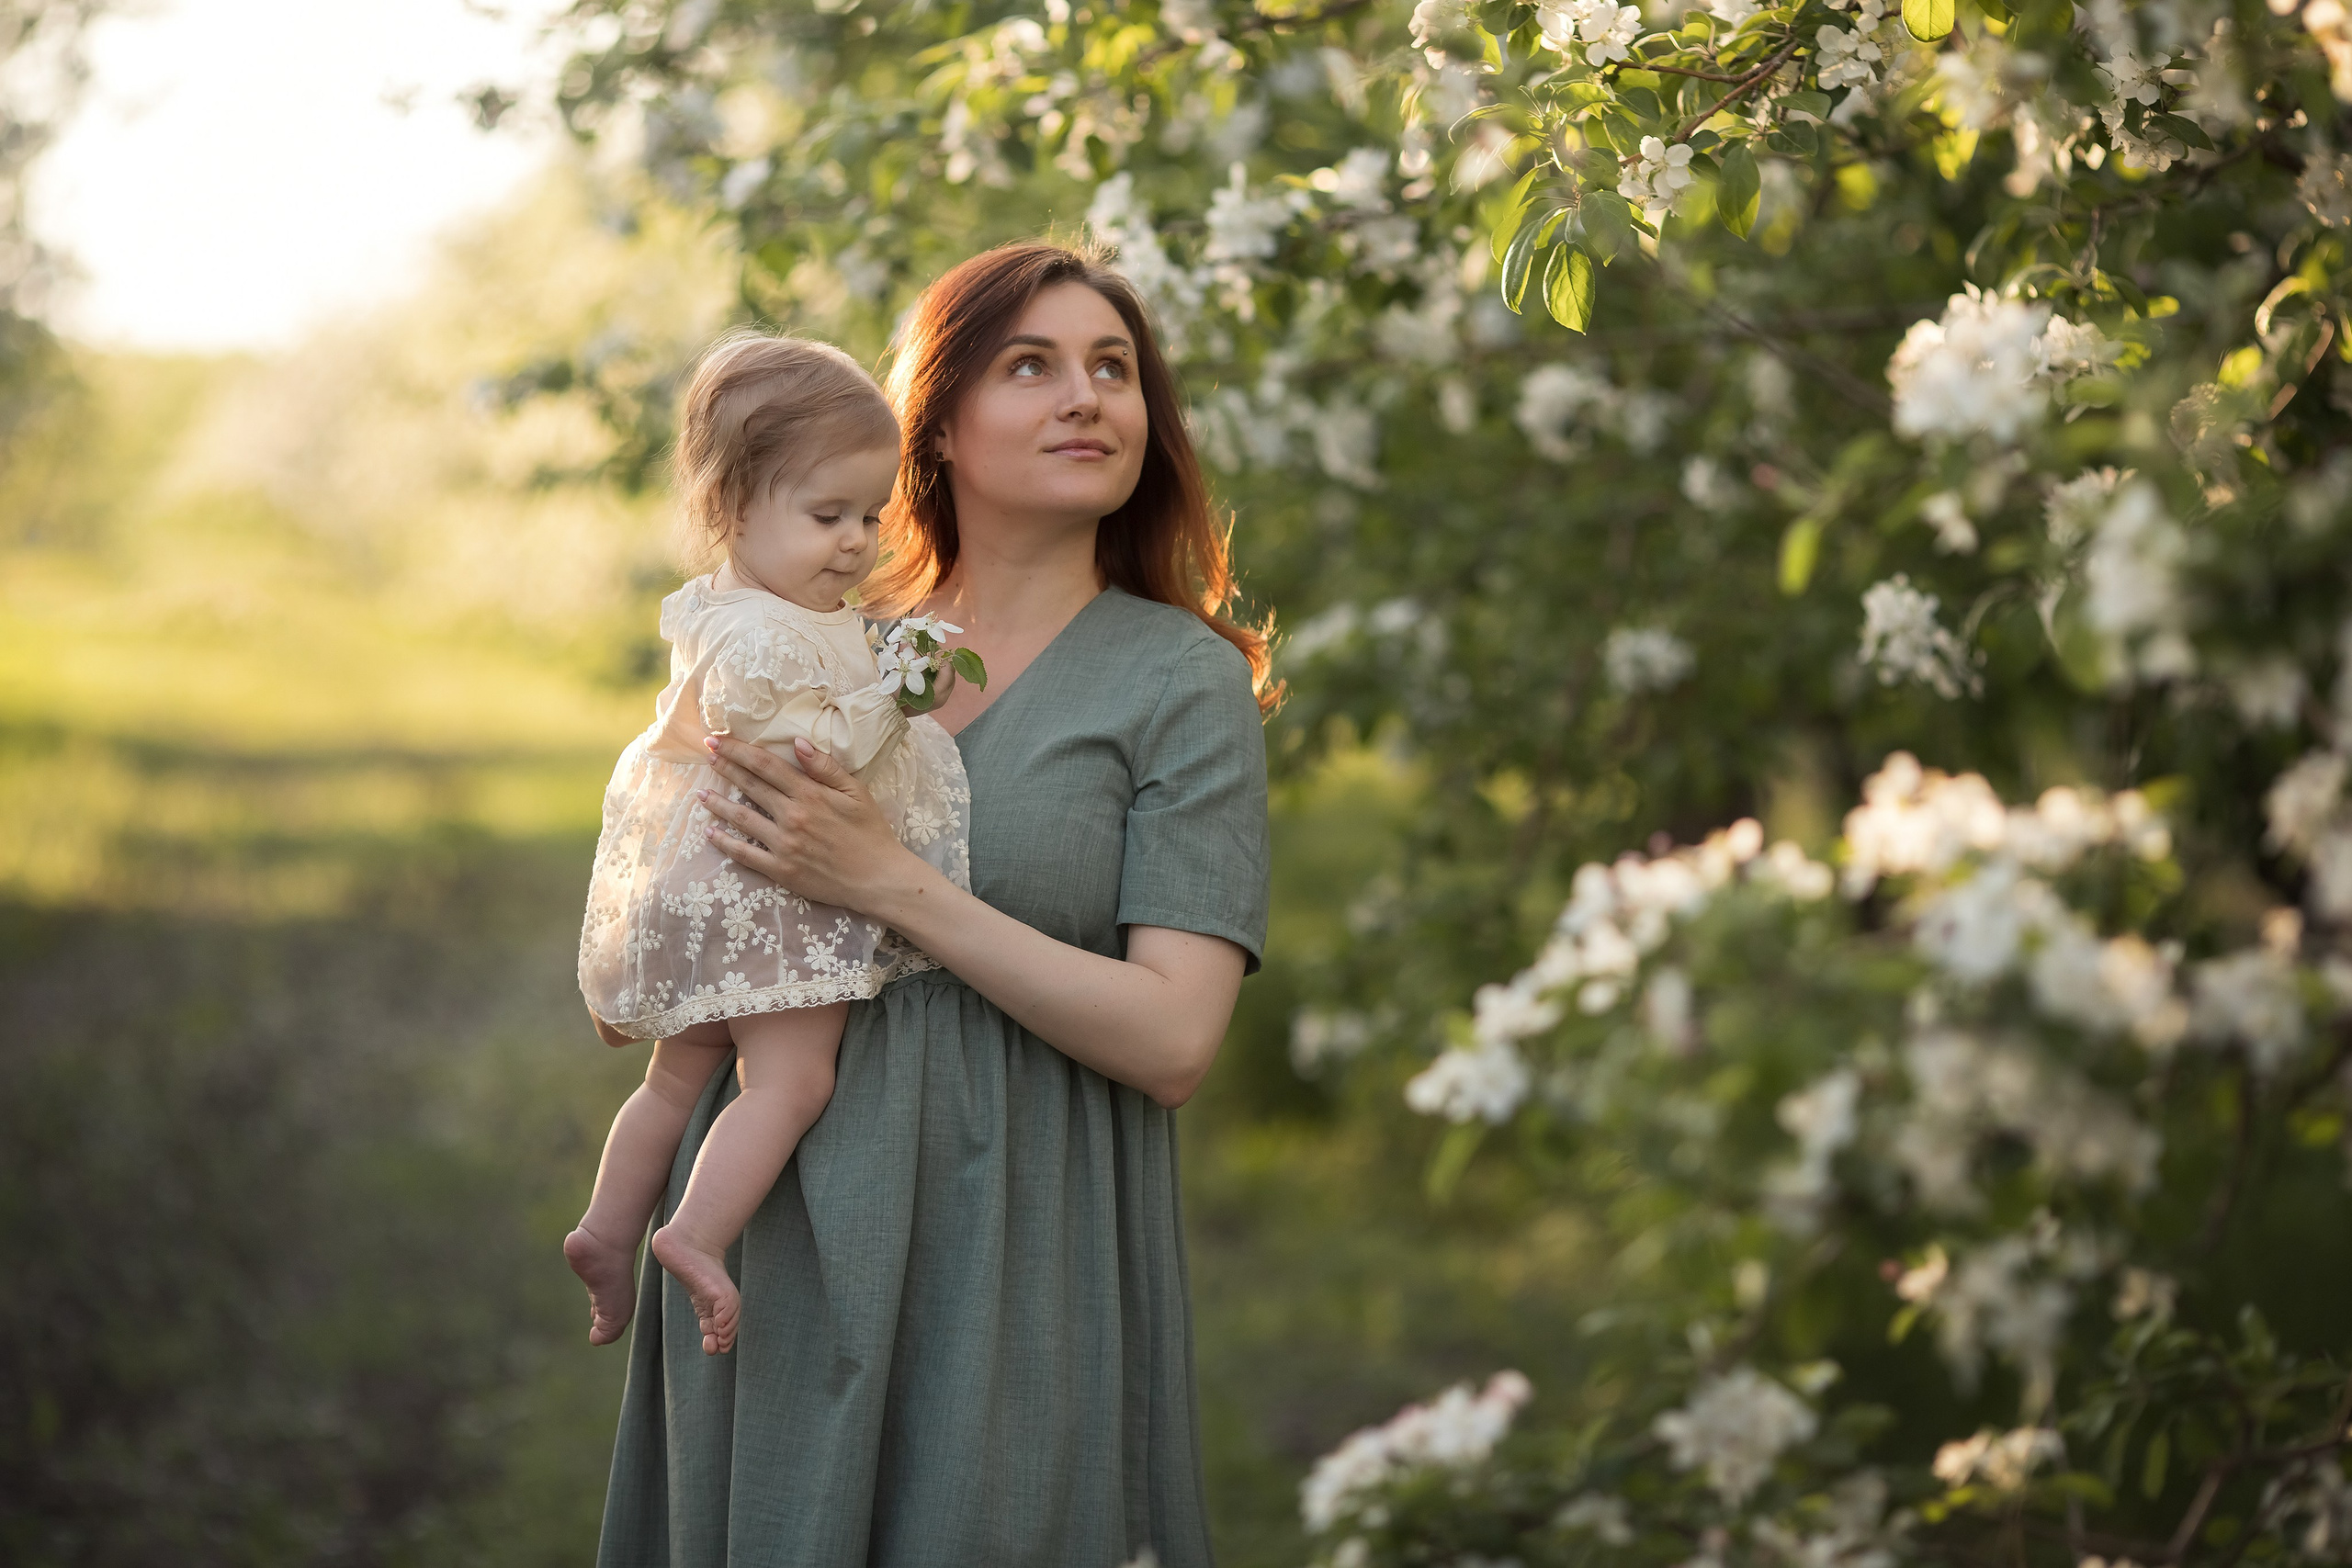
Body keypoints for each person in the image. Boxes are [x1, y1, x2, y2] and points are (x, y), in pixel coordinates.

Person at [594, 240, 1278, 1567]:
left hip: (1015, 1237)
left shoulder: (1178, 679)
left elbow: (1175, 1040)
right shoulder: (822, 639)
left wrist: (886, 882)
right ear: (940, 422)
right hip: (774, 1223)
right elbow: (690, 862)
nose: (1086, 397)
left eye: (1113, 368)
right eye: (1031, 365)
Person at [566, 332, 976, 1360]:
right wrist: (902, 693)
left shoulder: (760, 608)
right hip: (769, 889)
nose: (855, 544)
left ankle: (605, 1228)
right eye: (826, 515)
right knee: (790, 1083)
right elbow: (812, 753)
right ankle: (695, 1236)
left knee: (674, 1081)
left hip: (719, 878)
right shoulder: (757, 637)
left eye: (870, 516)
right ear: (732, 507)